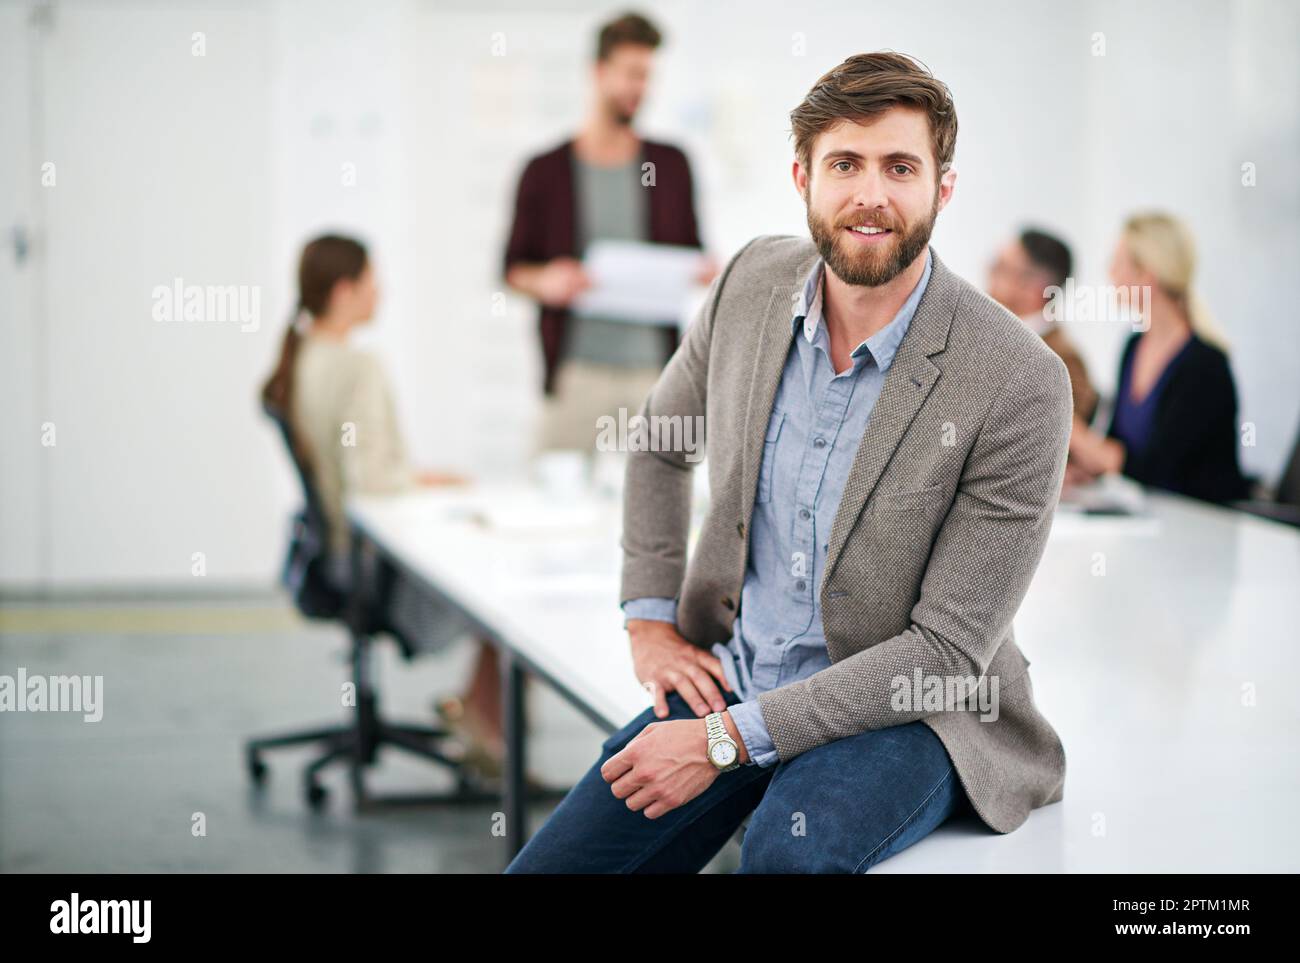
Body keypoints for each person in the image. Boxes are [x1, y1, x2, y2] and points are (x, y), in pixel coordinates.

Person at [507, 52, 1071, 874]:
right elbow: (660, 445)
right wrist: (650, 620)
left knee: (786, 856)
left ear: (942, 189)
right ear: (803, 176)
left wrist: (726, 740)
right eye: (845, 164)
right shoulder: (749, 283)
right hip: (735, 672)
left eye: (900, 167)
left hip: (906, 709)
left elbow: (947, 652)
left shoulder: (1017, 378)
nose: (870, 194)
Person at [260, 234, 505, 775]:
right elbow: (371, 483)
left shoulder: (301, 358)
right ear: (345, 291)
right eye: (374, 283)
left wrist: (418, 477)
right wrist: (436, 489)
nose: (382, 294)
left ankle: (478, 720)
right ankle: (484, 729)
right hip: (369, 562)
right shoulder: (357, 366)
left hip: (328, 557)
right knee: (505, 592)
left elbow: (350, 472)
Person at [503, 12, 715, 453]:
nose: (641, 88)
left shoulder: (669, 166)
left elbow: (695, 253)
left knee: (658, 503)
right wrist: (545, 281)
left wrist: (706, 272)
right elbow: (512, 268)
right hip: (577, 373)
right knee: (558, 499)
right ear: (598, 72)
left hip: (656, 375)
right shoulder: (545, 171)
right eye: (632, 74)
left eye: (648, 76)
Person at [1066, 212, 1249, 504]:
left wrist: (1074, 433)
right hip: (1152, 517)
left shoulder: (1205, 366)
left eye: (1118, 263)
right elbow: (1119, 445)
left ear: (1146, 276)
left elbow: (1158, 470)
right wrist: (1087, 469)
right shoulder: (1133, 346)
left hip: (1203, 524)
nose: (1110, 273)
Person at [987, 228, 1098, 423]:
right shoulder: (990, 335)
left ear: (1033, 287)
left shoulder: (1065, 360)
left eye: (1001, 268)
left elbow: (1060, 443)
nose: (990, 275)